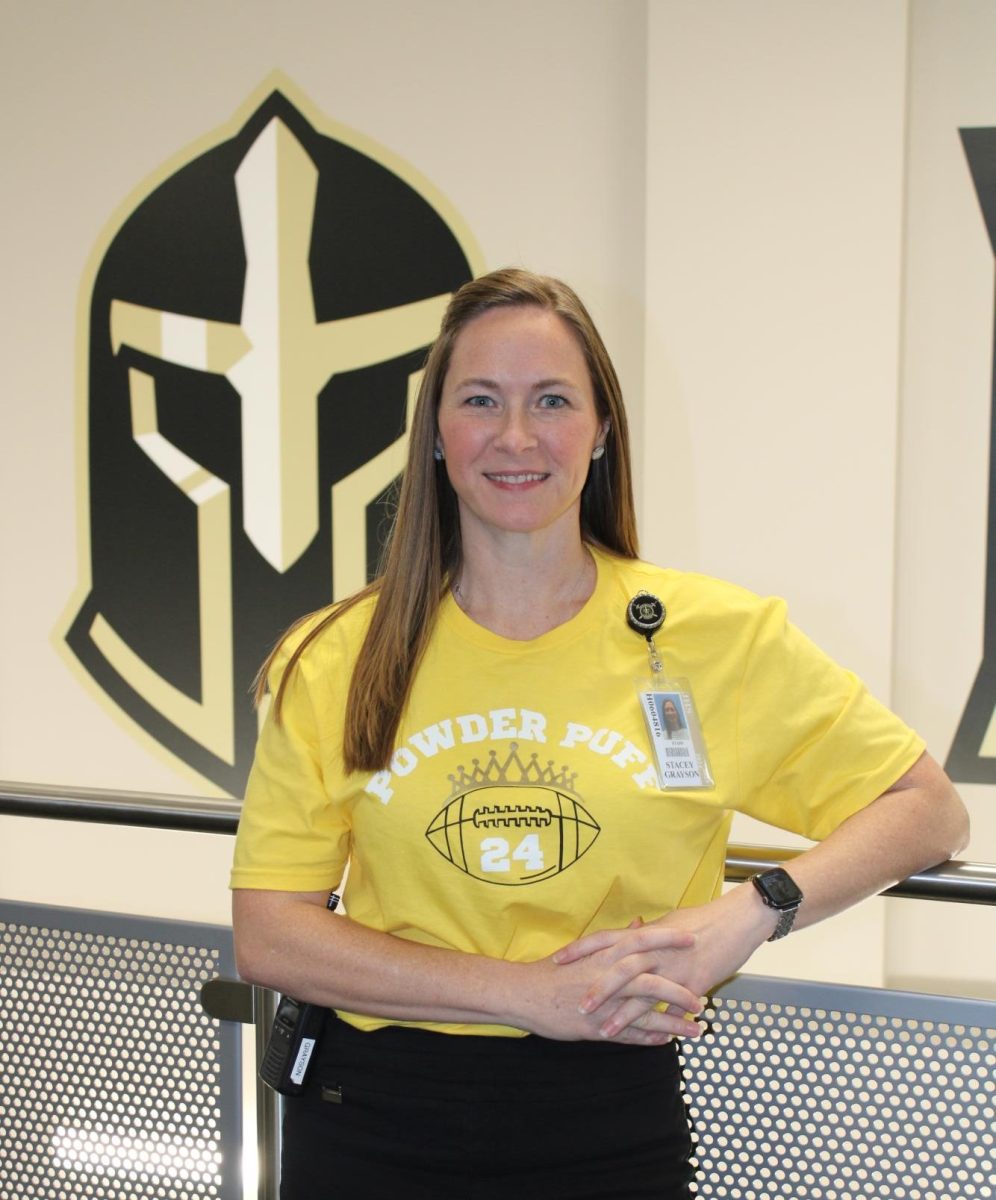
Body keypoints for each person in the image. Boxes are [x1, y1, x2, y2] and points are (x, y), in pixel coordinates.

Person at [230, 268, 969, 1199]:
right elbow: (270, 935)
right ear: (436, 436)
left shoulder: (717, 638)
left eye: (551, 401)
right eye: (480, 401)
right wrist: (530, 995)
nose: (515, 436)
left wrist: (751, 911)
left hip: (608, 1117)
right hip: (371, 1116)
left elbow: (928, 809)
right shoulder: (337, 655)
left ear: (603, 428)